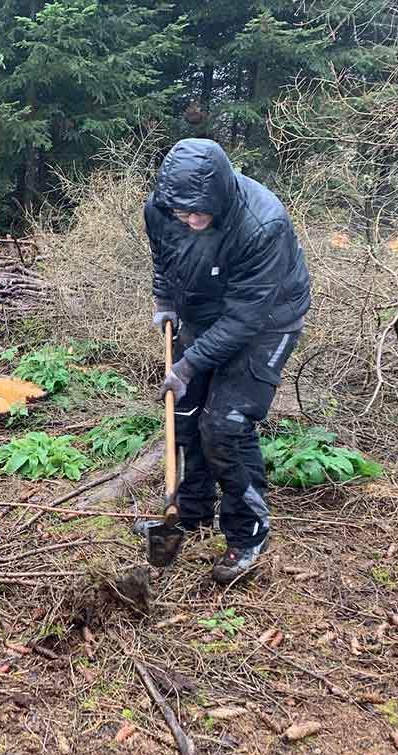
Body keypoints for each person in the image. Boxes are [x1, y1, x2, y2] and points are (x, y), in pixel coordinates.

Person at [143, 139, 311, 584]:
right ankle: (190, 513)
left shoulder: (263, 224)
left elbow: (244, 318)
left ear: (222, 194)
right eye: (185, 214)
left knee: (226, 424)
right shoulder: (161, 210)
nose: (194, 221)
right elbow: (164, 255)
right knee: (183, 412)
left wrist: (189, 363)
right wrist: (164, 297)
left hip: (266, 320)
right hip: (203, 309)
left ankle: (247, 533)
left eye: (203, 213)